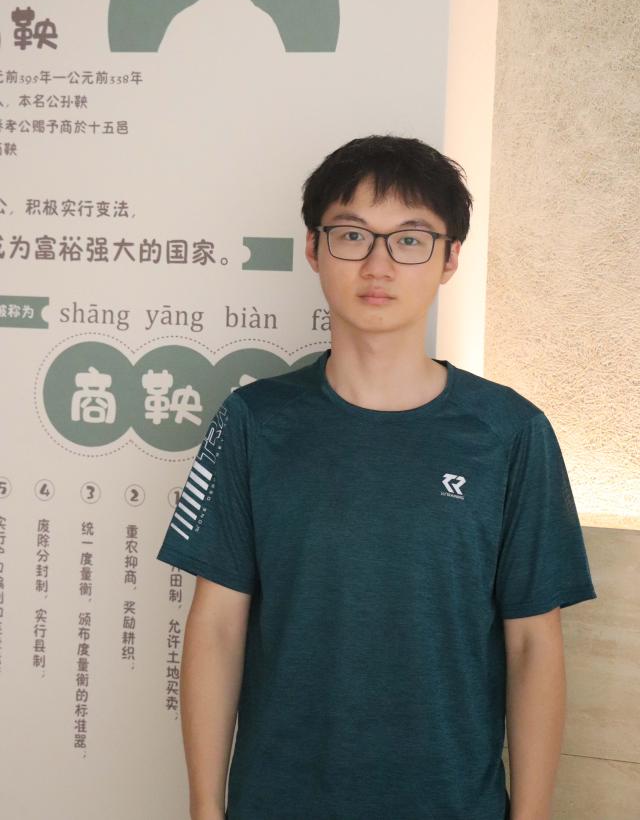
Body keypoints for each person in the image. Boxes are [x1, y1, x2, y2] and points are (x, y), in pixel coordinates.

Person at [156, 134, 598, 820]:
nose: (378, 264)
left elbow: (533, 643)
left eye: (411, 239)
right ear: (313, 248)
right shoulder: (254, 422)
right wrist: (205, 811)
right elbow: (216, 627)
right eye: (352, 235)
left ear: (450, 258)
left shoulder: (511, 432)